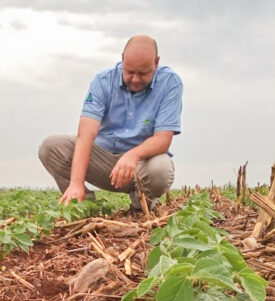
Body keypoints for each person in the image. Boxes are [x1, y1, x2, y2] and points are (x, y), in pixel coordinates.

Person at [38, 35, 183, 212]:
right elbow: (86, 134)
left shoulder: (170, 83)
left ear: (156, 63)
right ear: (122, 59)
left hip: (141, 166)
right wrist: (76, 182)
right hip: (103, 160)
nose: (135, 79)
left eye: (143, 73)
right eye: (130, 72)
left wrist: (132, 156)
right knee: (51, 147)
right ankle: (84, 204)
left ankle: (140, 208)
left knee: (161, 168)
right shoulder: (103, 81)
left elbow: (163, 139)